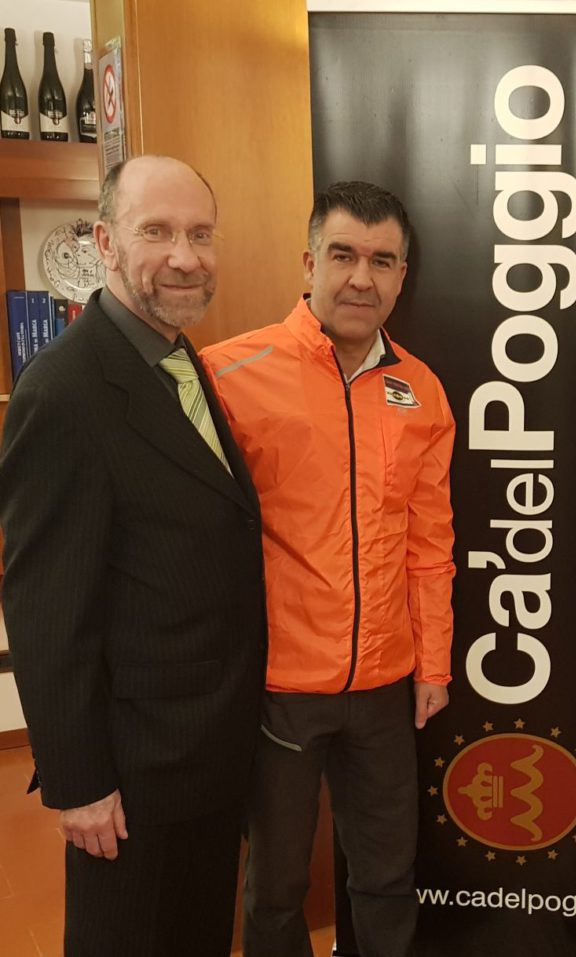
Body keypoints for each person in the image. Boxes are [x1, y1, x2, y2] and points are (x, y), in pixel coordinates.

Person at [0, 155, 266, 955]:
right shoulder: (64, 390)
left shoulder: (179, 359)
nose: (185, 256)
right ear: (106, 243)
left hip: (206, 756)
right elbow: (46, 611)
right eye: (157, 231)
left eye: (200, 234)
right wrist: (80, 783)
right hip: (132, 777)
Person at [201, 180, 455, 957]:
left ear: (402, 276)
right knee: (277, 884)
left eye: (382, 261)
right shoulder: (227, 375)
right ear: (309, 262)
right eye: (343, 255)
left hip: (385, 687)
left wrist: (433, 663)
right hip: (278, 686)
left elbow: (429, 543)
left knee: (386, 873)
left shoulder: (423, 391)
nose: (361, 278)